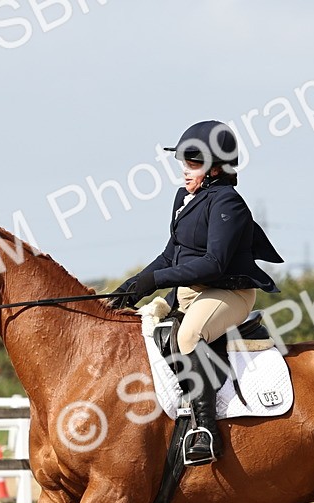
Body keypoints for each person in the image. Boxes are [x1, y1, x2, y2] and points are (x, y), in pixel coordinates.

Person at [109, 120, 283, 465]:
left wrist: (156, 280)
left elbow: (214, 264)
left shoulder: (228, 204)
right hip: (190, 292)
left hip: (228, 293)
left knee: (189, 335)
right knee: (140, 322)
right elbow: (171, 253)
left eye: (191, 165)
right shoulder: (185, 198)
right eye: (184, 164)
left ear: (215, 167)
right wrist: (134, 286)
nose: (183, 173)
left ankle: (205, 431)